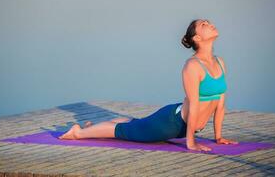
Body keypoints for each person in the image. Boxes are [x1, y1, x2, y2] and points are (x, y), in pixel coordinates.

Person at [58, 19, 239, 152]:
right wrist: (190, 143)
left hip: (186, 125)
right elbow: (194, 106)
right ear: (197, 37)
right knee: (125, 131)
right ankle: (78, 133)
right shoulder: (192, 66)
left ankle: (91, 126)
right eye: (204, 24)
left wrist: (218, 137)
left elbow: (220, 105)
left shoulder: (220, 62)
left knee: (136, 125)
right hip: (170, 124)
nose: (210, 24)